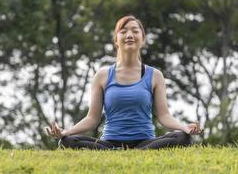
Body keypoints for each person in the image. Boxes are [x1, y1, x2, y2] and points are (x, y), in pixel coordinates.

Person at [45, 15, 202, 150]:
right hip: (109, 143)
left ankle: (131, 153)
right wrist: (66, 132)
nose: (129, 35)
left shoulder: (155, 75)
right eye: (124, 31)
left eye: (135, 31)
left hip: (145, 143)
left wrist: (184, 128)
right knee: (68, 142)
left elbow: (164, 116)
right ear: (116, 39)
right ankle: (119, 152)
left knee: (183, 138)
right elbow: (92, 119)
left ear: (143, 39)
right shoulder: (102, 75)